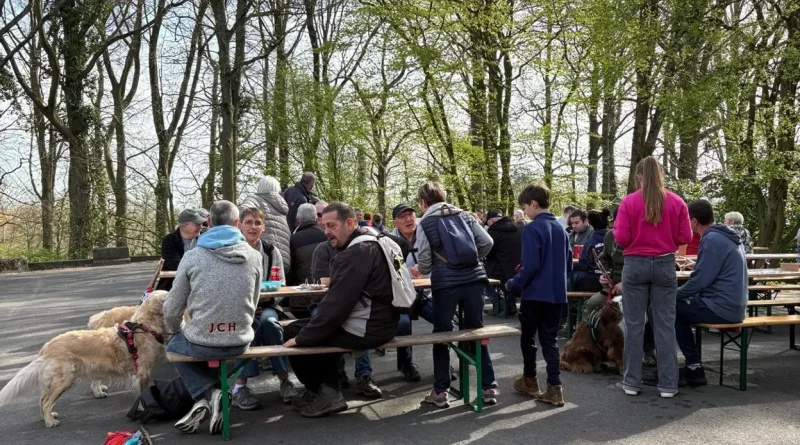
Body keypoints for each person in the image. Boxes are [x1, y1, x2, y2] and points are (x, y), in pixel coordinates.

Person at [282, 202, 400, 418]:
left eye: (332, 226)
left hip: (369, 329)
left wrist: (303, 338)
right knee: (315, 328)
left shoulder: (356, 253)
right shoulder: (378, 240)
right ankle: (317, 390)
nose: (327, 232)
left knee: (295, 332)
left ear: (349, 222)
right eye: (324, 226)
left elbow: (335, 307)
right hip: (388, 324)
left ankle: (327, 394)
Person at [164, 200, 262, 435]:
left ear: (208, 223)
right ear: (237, 224)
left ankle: (206, 394)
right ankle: (213, 395)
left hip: (202, 342)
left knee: (174, 346)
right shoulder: (254, 256)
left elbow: (171, 309)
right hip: (241, 340)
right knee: (201, 343)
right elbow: (255, 301)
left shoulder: (192, 257)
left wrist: (177, 329)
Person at [412, 181, 498, 408]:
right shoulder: (466, 215)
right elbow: (487, 241)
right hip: (475, 279)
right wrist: (472, 258)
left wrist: (430, 267)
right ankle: (488, 387)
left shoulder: (426, 222)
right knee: (476, 331)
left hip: (445, 284)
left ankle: (441, 391)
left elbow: (424, 263)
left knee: (442, 334)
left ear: (422, 202)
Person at [644, 199, 747, 389]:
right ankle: (693, 367)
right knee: (674, 309)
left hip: (721, 306)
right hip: (733, 304)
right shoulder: (726, 236)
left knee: (659, 306)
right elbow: (711, 273)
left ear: (693, 221)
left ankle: (671, 369)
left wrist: (672, 294)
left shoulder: (712, 238)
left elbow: (700, 281)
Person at [614, 156, 692, 398]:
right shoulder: (677, 202)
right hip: (664, 264)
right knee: (665, 326)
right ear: (661, 175)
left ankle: (631, 382)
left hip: (635, 264)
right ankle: (668, 384)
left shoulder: (629, 202)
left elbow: (621, 238)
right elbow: (685, 236)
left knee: (634, 326)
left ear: (639, 176)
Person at [506, 183, 571, 406]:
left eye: (525, 207)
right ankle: (555, 387)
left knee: (528, 338)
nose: (525, 212)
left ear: (534, 204)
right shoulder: (561, 229)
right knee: (550, 340)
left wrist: (514, 284)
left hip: (534, 294)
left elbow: (530, 265)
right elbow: (568, 262)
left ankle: (530, 379)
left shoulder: (533, 228)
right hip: (556, 293)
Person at [230, 206, 298, 411]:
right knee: (248, 326)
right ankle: (239, 387)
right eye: (248, 222)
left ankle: (284, 380)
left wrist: (266, 299)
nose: (253, 227)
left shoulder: (270, 250)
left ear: (263, 227)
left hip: (267, 305)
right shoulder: (232, 250)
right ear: (239, 225)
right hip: (241, 308)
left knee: (270, 323)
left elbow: (281, 285)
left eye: (257, 223)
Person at [240, 176, 292, 277]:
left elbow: (242, 211)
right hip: (283, 258)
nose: (253, 226)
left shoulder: (255, 198)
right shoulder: (282, 206)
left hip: (264, 253)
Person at [157, 208, 206, 291]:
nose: (201, 227)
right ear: (184, 226)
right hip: (174, 285)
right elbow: (174, 264)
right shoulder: (169, 240)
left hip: (202, 284)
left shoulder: (206, 238)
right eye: (197, 224)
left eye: (201, 224)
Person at [485, 209, 522, 316]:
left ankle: (499, 303)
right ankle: (510, 304)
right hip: (519, 268)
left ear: (491, 221)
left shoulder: (493, 231)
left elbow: (489, 253)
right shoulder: (517, 227)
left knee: (480, 277)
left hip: (501, 271)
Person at [571, 209, 611, 293]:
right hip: (614, 278)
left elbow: (583, 264)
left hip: (594, 279)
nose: (573, 226)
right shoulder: (615, 240)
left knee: (571, 282)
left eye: (576, 223)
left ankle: (573, 303)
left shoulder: (590, 242)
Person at [289, 203, 327, 285]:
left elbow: (290, 269)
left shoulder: (293, 239)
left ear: (298, 220)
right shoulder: (326, 235)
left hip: (300, 289)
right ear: (315, 218)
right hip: (323, 287)